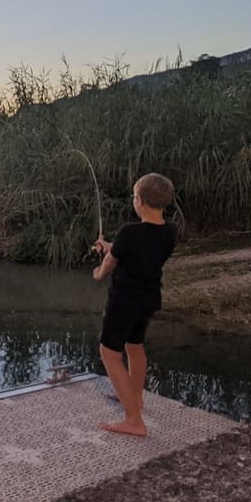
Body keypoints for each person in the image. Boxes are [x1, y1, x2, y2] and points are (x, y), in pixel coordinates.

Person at [92, 173, 177, 436]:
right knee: (135, 346)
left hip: (124, 301)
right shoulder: (170, 232)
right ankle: (136, 398)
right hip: (149, 300)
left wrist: (98, 273)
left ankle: (133, 420)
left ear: (139, 201)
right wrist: (111, 246)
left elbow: (111, 263)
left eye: (134, 196)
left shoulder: (129, 231)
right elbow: (137, 251)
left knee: (109, 353)